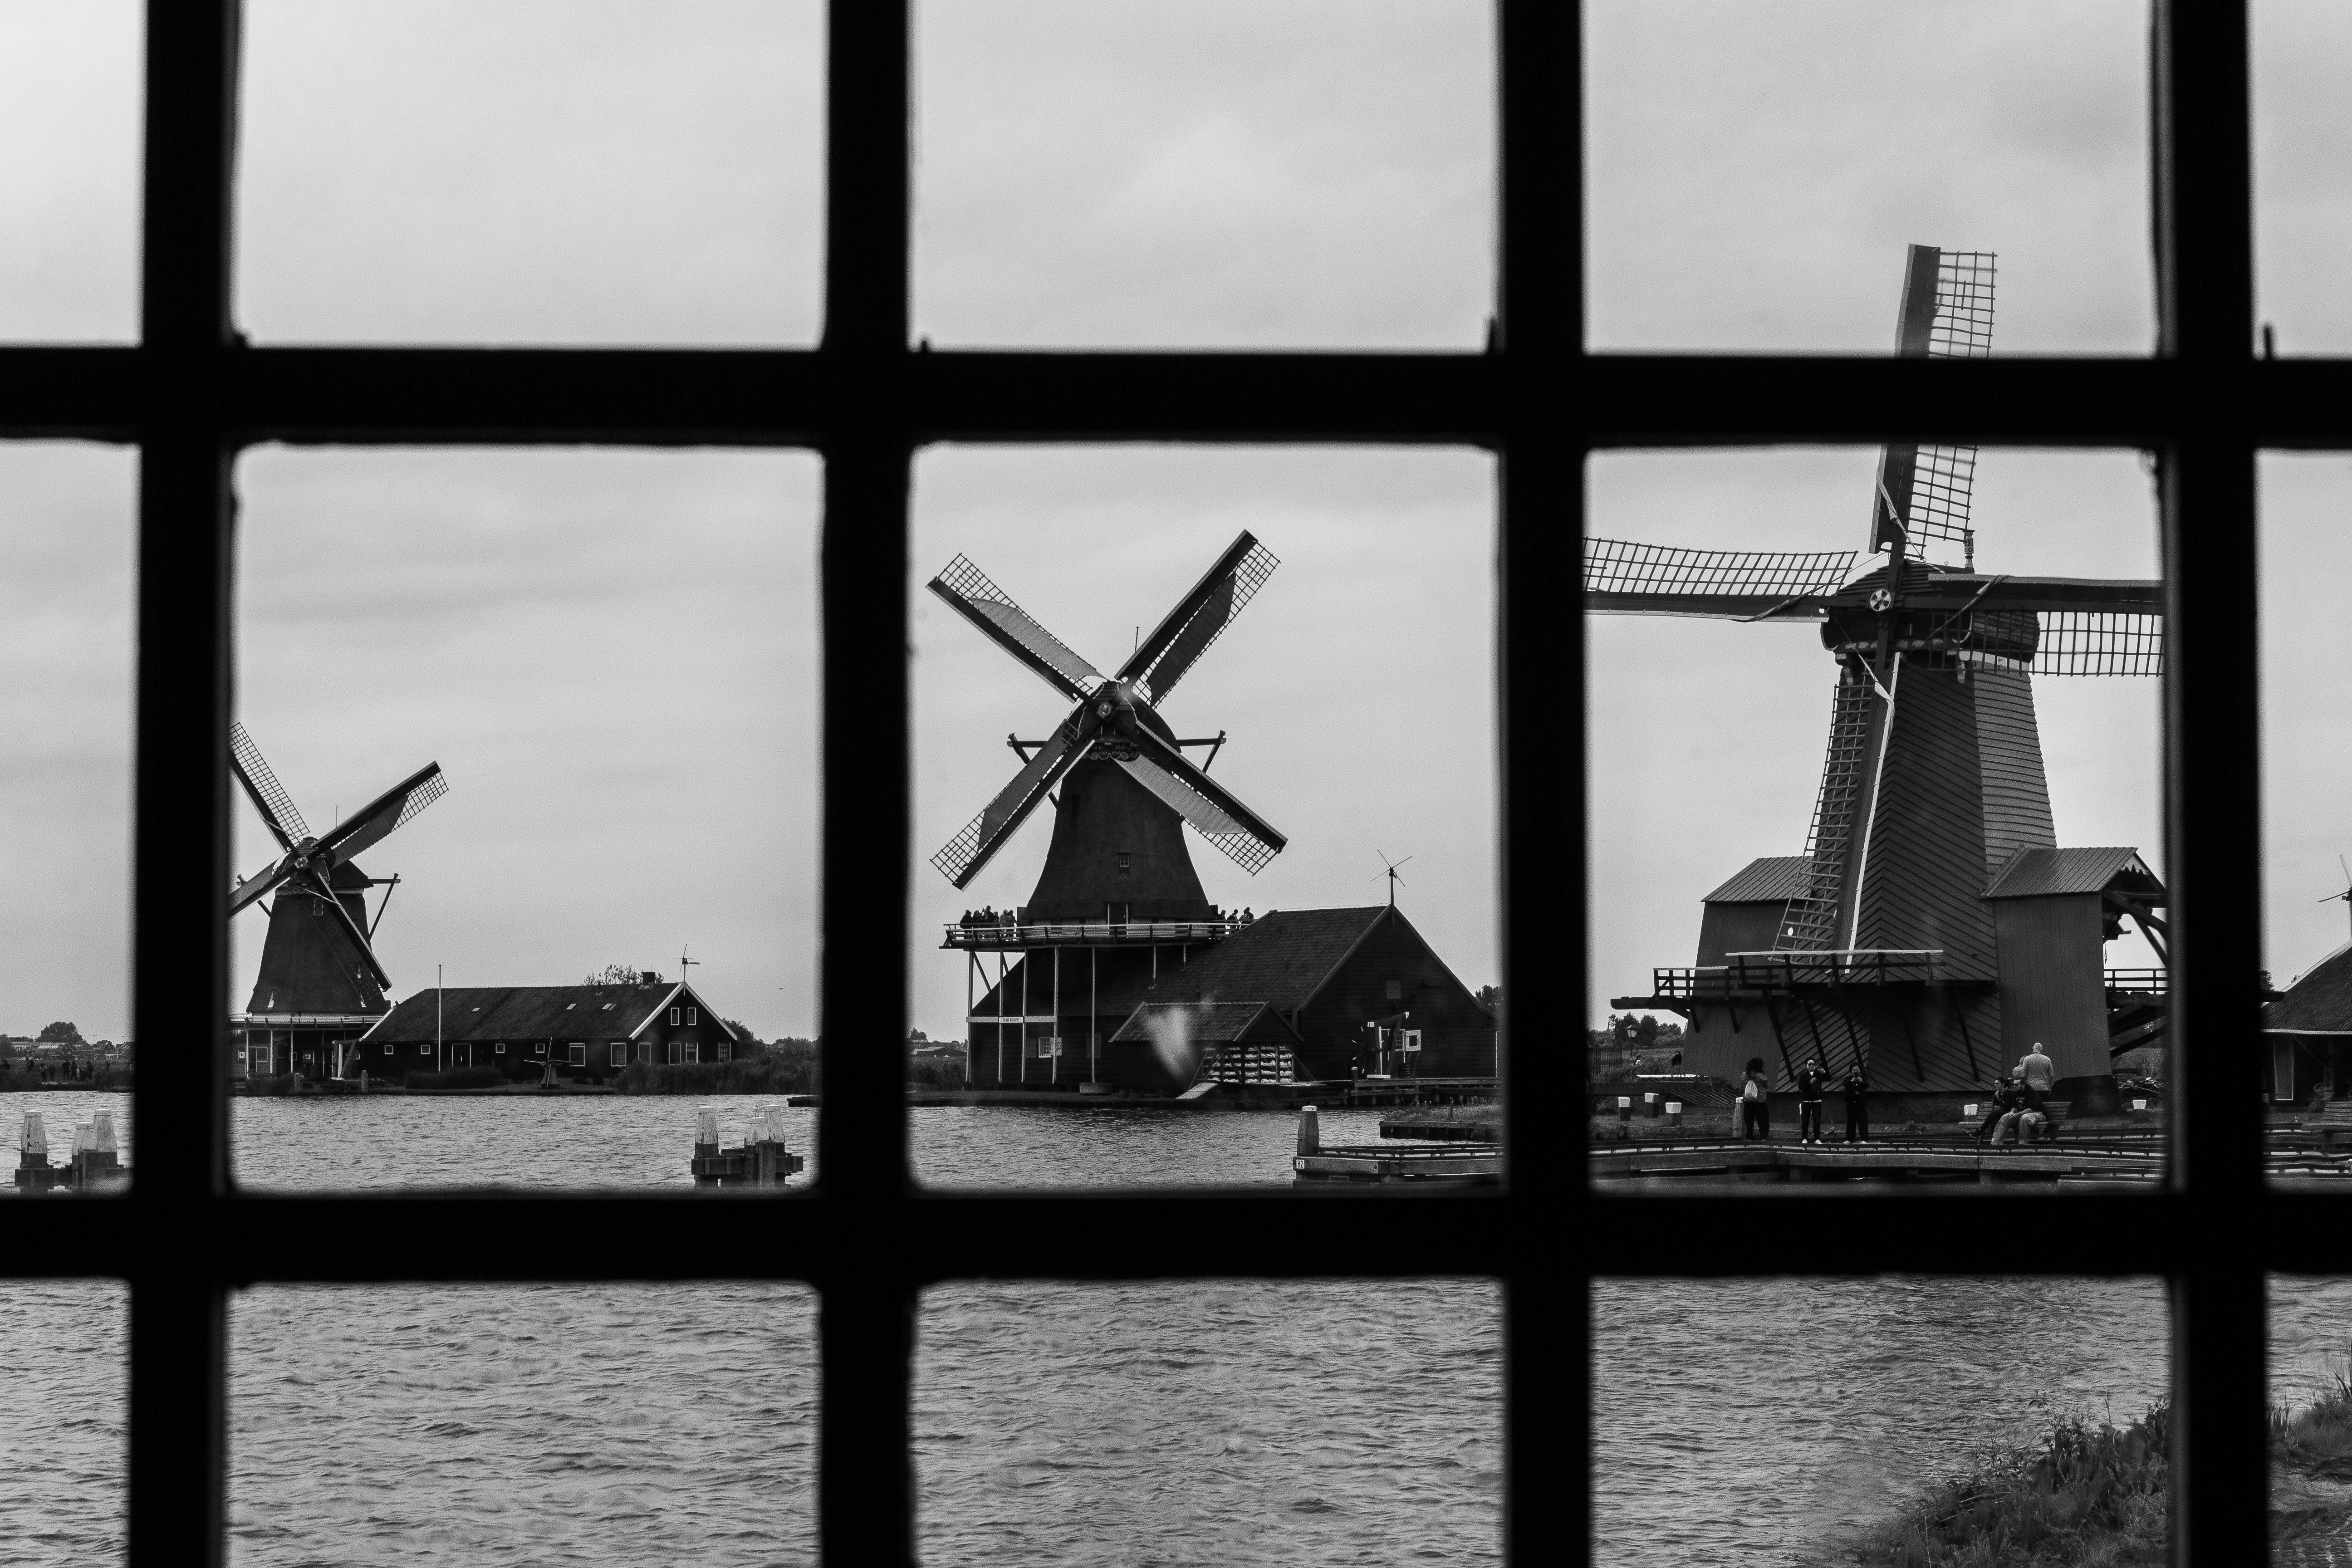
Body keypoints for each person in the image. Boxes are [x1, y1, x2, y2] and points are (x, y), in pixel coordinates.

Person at [2015, 1042, 2056, 1114]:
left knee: (2031, 1110)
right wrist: (2049, 1087)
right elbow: (2052, 1076)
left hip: (2031, 1089)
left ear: (2033, 1049)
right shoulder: (2047, 1059)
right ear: (2041, 1050)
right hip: (2044, 1089)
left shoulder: (2027, 1059)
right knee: (2043, 1110)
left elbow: (2023, 1076)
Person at [1795, 1056, 1828, 1145]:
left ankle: (1817, 1139)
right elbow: (1801, 1087)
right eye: (1810, 1064)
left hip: (1817, 1101)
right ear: (1807, 1066)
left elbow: (1826, 1079)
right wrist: (1810, 1083)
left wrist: (1824, 1073)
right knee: (1805, 1120)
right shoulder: (1803, 1075)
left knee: (1817, 1120)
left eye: (1813, 1064)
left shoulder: (1818, 1074)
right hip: (1806, 1101)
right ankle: (1804, 1138)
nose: (1812, 1066)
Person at [1739, 1057, 1771, 1141]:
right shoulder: (1761, 1076)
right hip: (1760, 1101)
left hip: (1748, 1101)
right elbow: (1766, 1086)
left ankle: (1750, 1136)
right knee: (1763, 1120)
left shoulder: (1743, 1076)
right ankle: (1763, 1137)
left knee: (1749, 1120)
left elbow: (1742, 1088)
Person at [1842, 1061, 1870, 1144]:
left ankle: (1864, 1139)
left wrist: (1861, 1082)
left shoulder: (1863, 1078)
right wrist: (1851, 1081)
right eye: (1854, 1070)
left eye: (1857, 1069)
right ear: (1851, 1071)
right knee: (1851, 1121)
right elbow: (1845, 1084)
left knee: (1862, 1121)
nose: (1856, 1071)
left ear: (1860, 1070)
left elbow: (1867, 1085)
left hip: (1860, 1103)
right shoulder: (1849, 1078)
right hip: (1851, 1103)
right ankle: (1850, 1139)